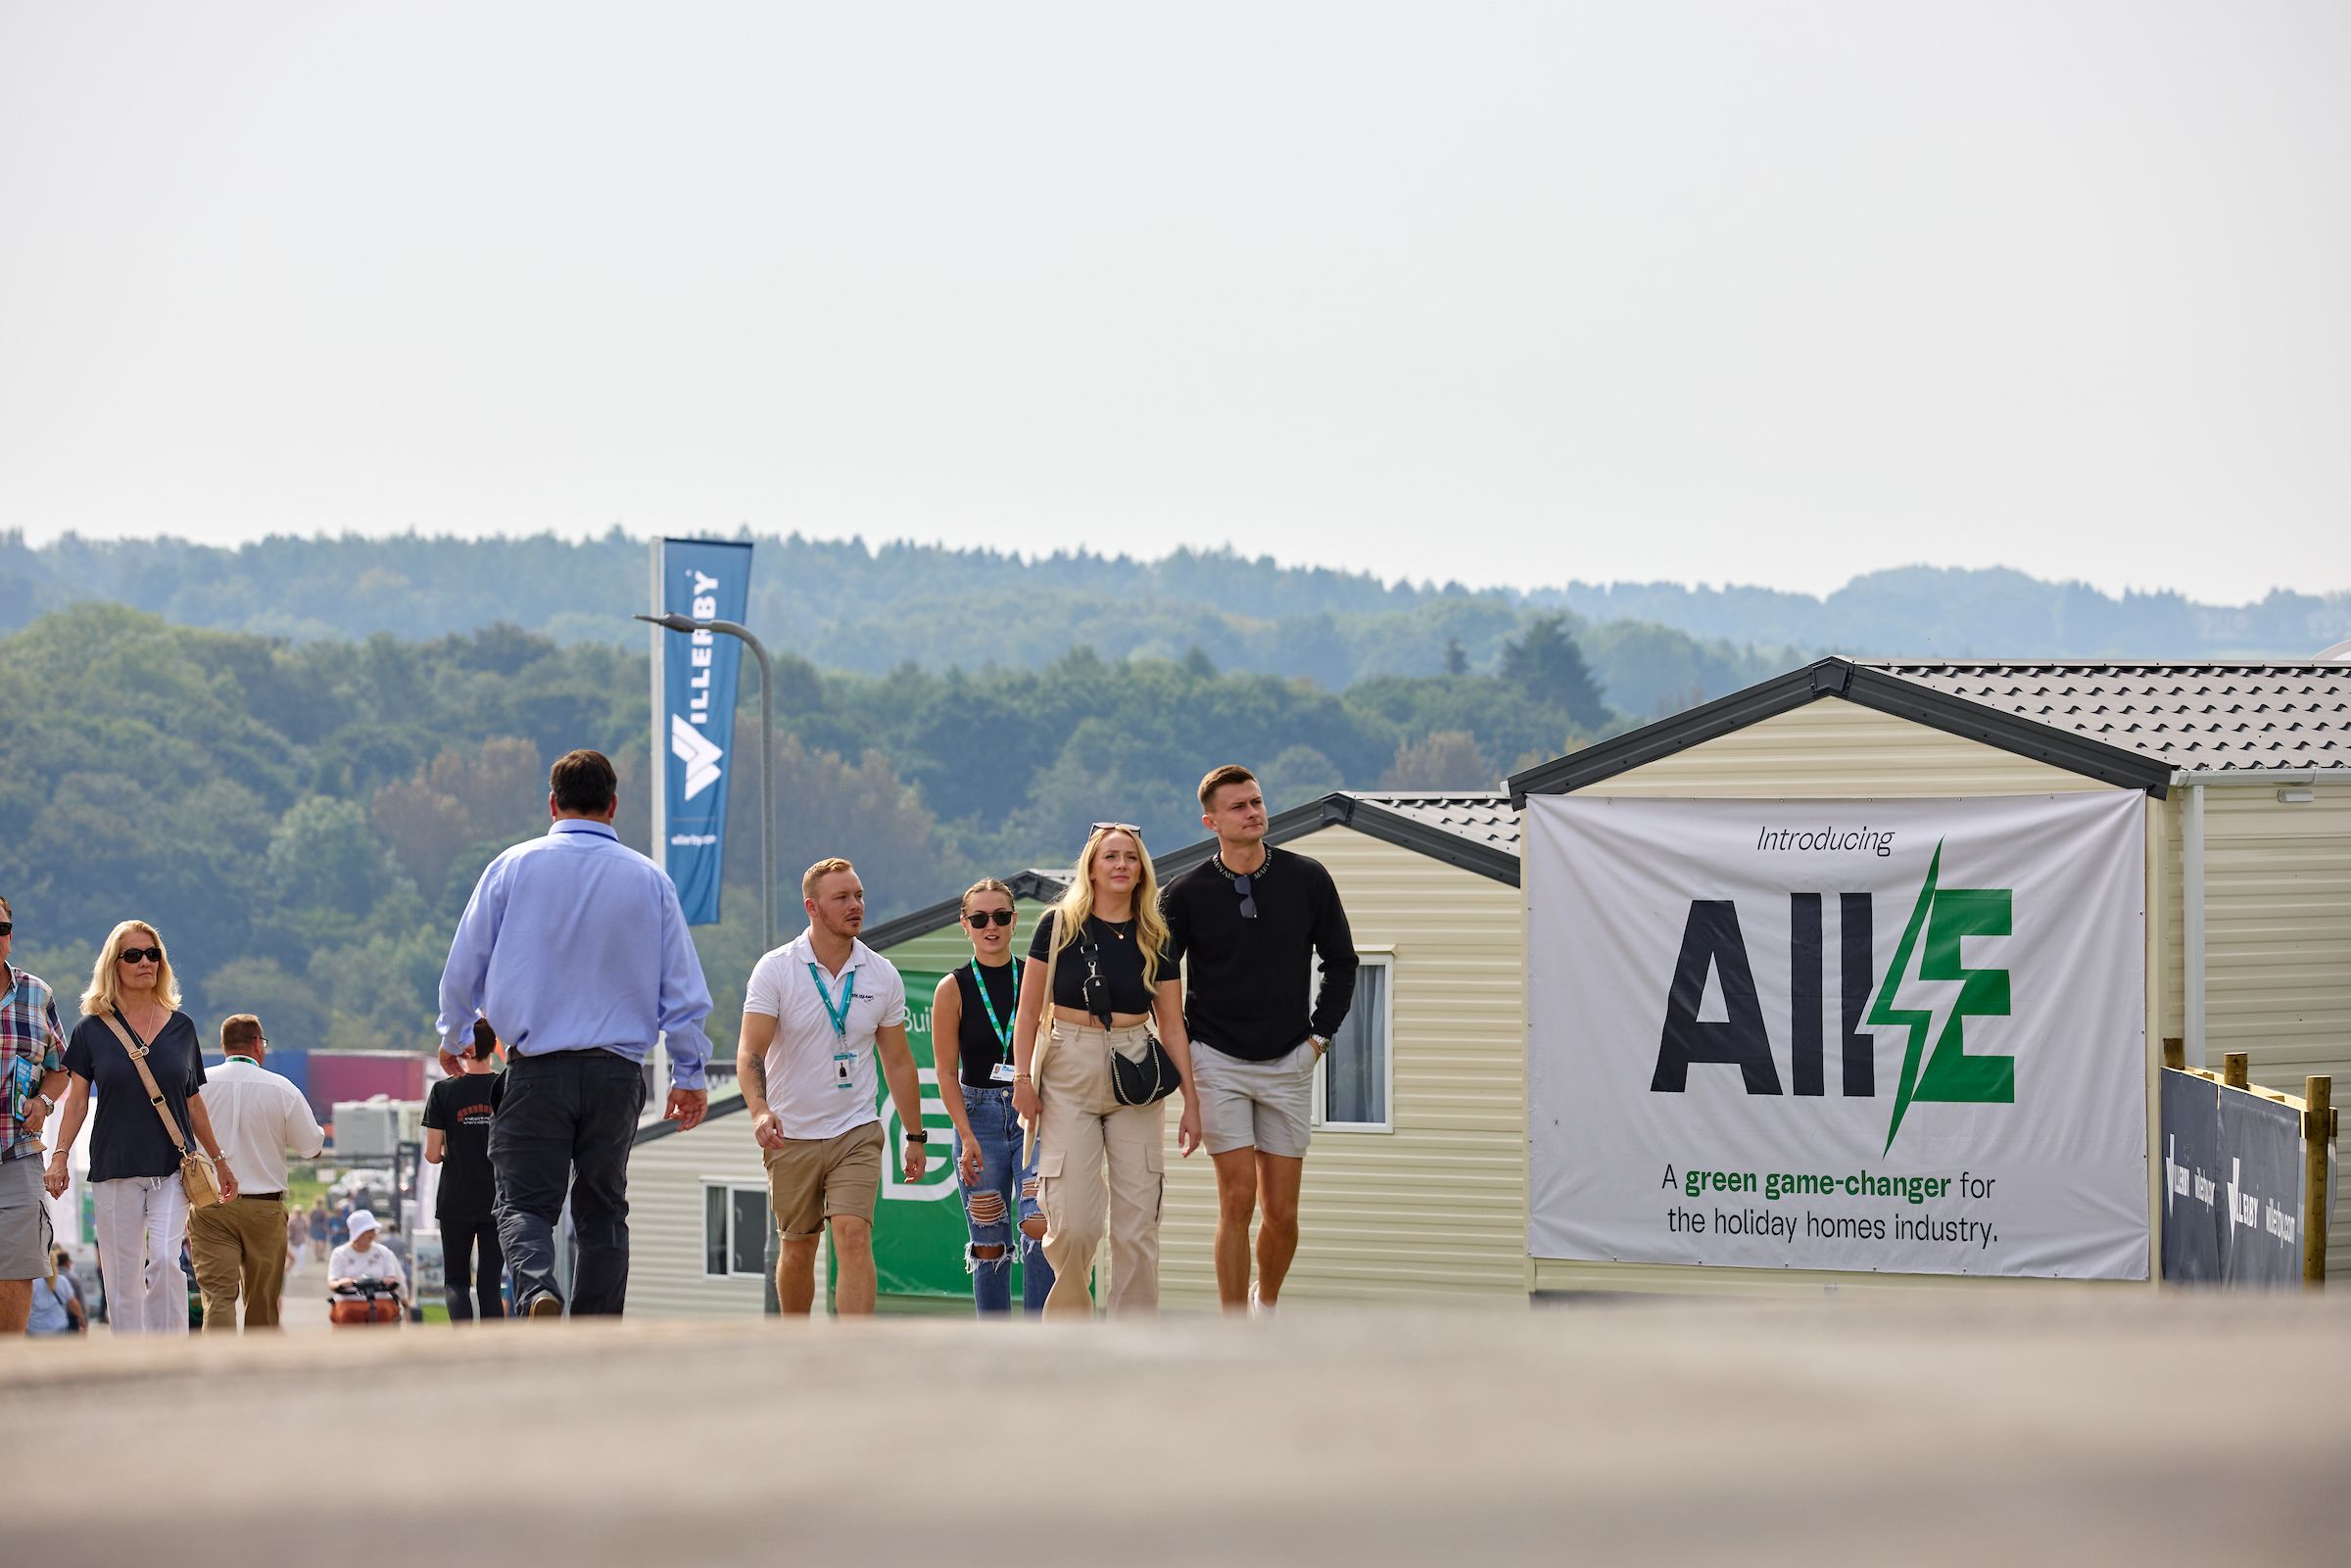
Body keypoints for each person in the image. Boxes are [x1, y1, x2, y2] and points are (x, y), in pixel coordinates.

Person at [435, 748, 713, 1318]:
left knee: (523, 1204)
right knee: (603, 1209)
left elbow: (466, 962)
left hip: (537, 1070)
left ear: (552, 804)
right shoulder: (650, 880)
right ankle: (596, 1329)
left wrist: (455, 1030)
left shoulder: (512, 867)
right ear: (613, 806)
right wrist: (689, 1074)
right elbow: (683, 994)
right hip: (617, 1073)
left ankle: (538, 1289)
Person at [1162, 765, 1358, 1313]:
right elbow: (1160, 980)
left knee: (1283, 1213)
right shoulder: (1186, 893)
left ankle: (1263, 1305)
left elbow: (1342, 963)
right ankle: (1231, 1329)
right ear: (1212, 821)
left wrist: (1318, 1040)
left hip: (1290, 1060)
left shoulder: (1308, 878)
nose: (1253, 812)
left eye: (1256, 802)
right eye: (1238, 807)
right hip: (1216, 1061)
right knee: (1237, 1200)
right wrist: (1186, 1062)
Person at [1010, 824, 1201, 1319]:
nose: (1121, 865)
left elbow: (1174, 1027)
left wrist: (1193, 1103)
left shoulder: (1156, 934)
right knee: (1074, 1223)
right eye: (1111, 856)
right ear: (1090, 867)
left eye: (1131, 858)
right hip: (1067, 1066)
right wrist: (1022, 1080)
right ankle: (1071, 1330)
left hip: (1137, 1066)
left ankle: (1132, 1337)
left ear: (1142, 870)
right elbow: (1028, 1012)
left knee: (1138, 1224)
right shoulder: (1057, 925)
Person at [739, 858, 928, 1315]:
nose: (855, 905)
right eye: (842, 897)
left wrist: (916, 1136)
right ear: (813, 907)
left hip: (855, 1131)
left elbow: (899, 1063)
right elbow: (750, 1053)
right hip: (792, 1134)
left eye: (859, 895)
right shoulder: (776, 969)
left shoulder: (882, 973)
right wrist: (760, 1111)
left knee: (854, 1235)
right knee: (799, 1248)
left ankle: (853, 1358)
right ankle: (799, 1349)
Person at [42, 921, 238, 1336]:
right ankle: (130, 1356)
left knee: (167, 1259)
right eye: (133, 955)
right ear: (114, 964)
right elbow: (76, 1102)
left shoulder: (181, 1027)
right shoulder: (91, 1030)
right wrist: (59, 1156)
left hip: (172, 1165)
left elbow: (193, 1100)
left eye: (153, 954)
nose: (145, 962)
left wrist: (219, 1160)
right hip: (114, 1165)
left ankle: (168, 1355)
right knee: (121, 1271)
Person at [931, 879, 1053, 1316]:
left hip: (1031, 1113)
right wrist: (965, 1135)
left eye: (1001, 916)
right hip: (978, 1114)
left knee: (1039, 1225)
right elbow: (945, 1071)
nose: (991, 926)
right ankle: (996, 1343)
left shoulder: (1035, 978)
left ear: (1014, 921)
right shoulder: (953, 987)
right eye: (980, 918)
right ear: (965, 925)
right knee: (989, 1240)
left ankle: (1042, 1334)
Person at [186, 1014, 324, 1331]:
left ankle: (219, 1368)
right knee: (262, 1300)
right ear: (257, 1045)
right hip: (265, 1206)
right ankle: (258, 1370)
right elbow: (311, 1148)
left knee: (218, 1297)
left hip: (211, 1204)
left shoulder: (198, 1085)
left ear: (223, 1045)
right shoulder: (282, 1088)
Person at [0, 895, 71, 1336]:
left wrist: (43, 1103)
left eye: (1, 928)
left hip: (17, 1151)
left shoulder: (35, 993)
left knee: (17, 1266)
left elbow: (61, 1068)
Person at [423, 1018, 504, 1321]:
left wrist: (453, 1152)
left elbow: (432, 1154)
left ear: (464, 1048)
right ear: (493, 1047)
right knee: (490, 1286)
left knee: (456, 1280)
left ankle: (462, 1344)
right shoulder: (506, 1086)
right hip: (496, 1198)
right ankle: (496, 1352)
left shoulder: (443, 1091)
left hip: (455, 1197)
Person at [326, 1207, 408, 1315]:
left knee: (386, 1312)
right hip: (349, 1301)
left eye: (373, 1230)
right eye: (369, 1231)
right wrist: (340, 1283)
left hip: (379, 1300)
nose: (373, 1234)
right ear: (357, 1233)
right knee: (347, 1314)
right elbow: (332, 1282)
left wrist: (391, 1282)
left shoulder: (383, 1252)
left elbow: (395, 1277)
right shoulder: (340, 1254)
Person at [26, 1248, 83, 1335]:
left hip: (36, 1330)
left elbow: (26, 1307)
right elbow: (72, 1303)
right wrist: (81, 1318)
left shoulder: (32, 1283)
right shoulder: (62, 1281)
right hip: (59, 1329)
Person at [308, 1196, 329, 1263]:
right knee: (321, 1243)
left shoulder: (312, 1209)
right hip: (320, 1227)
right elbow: (326, 1218)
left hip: (316, 1227)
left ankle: (318, 1256)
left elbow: (309, 1219)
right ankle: (319, 1255)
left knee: (317, 1243)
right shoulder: (322, 1210)